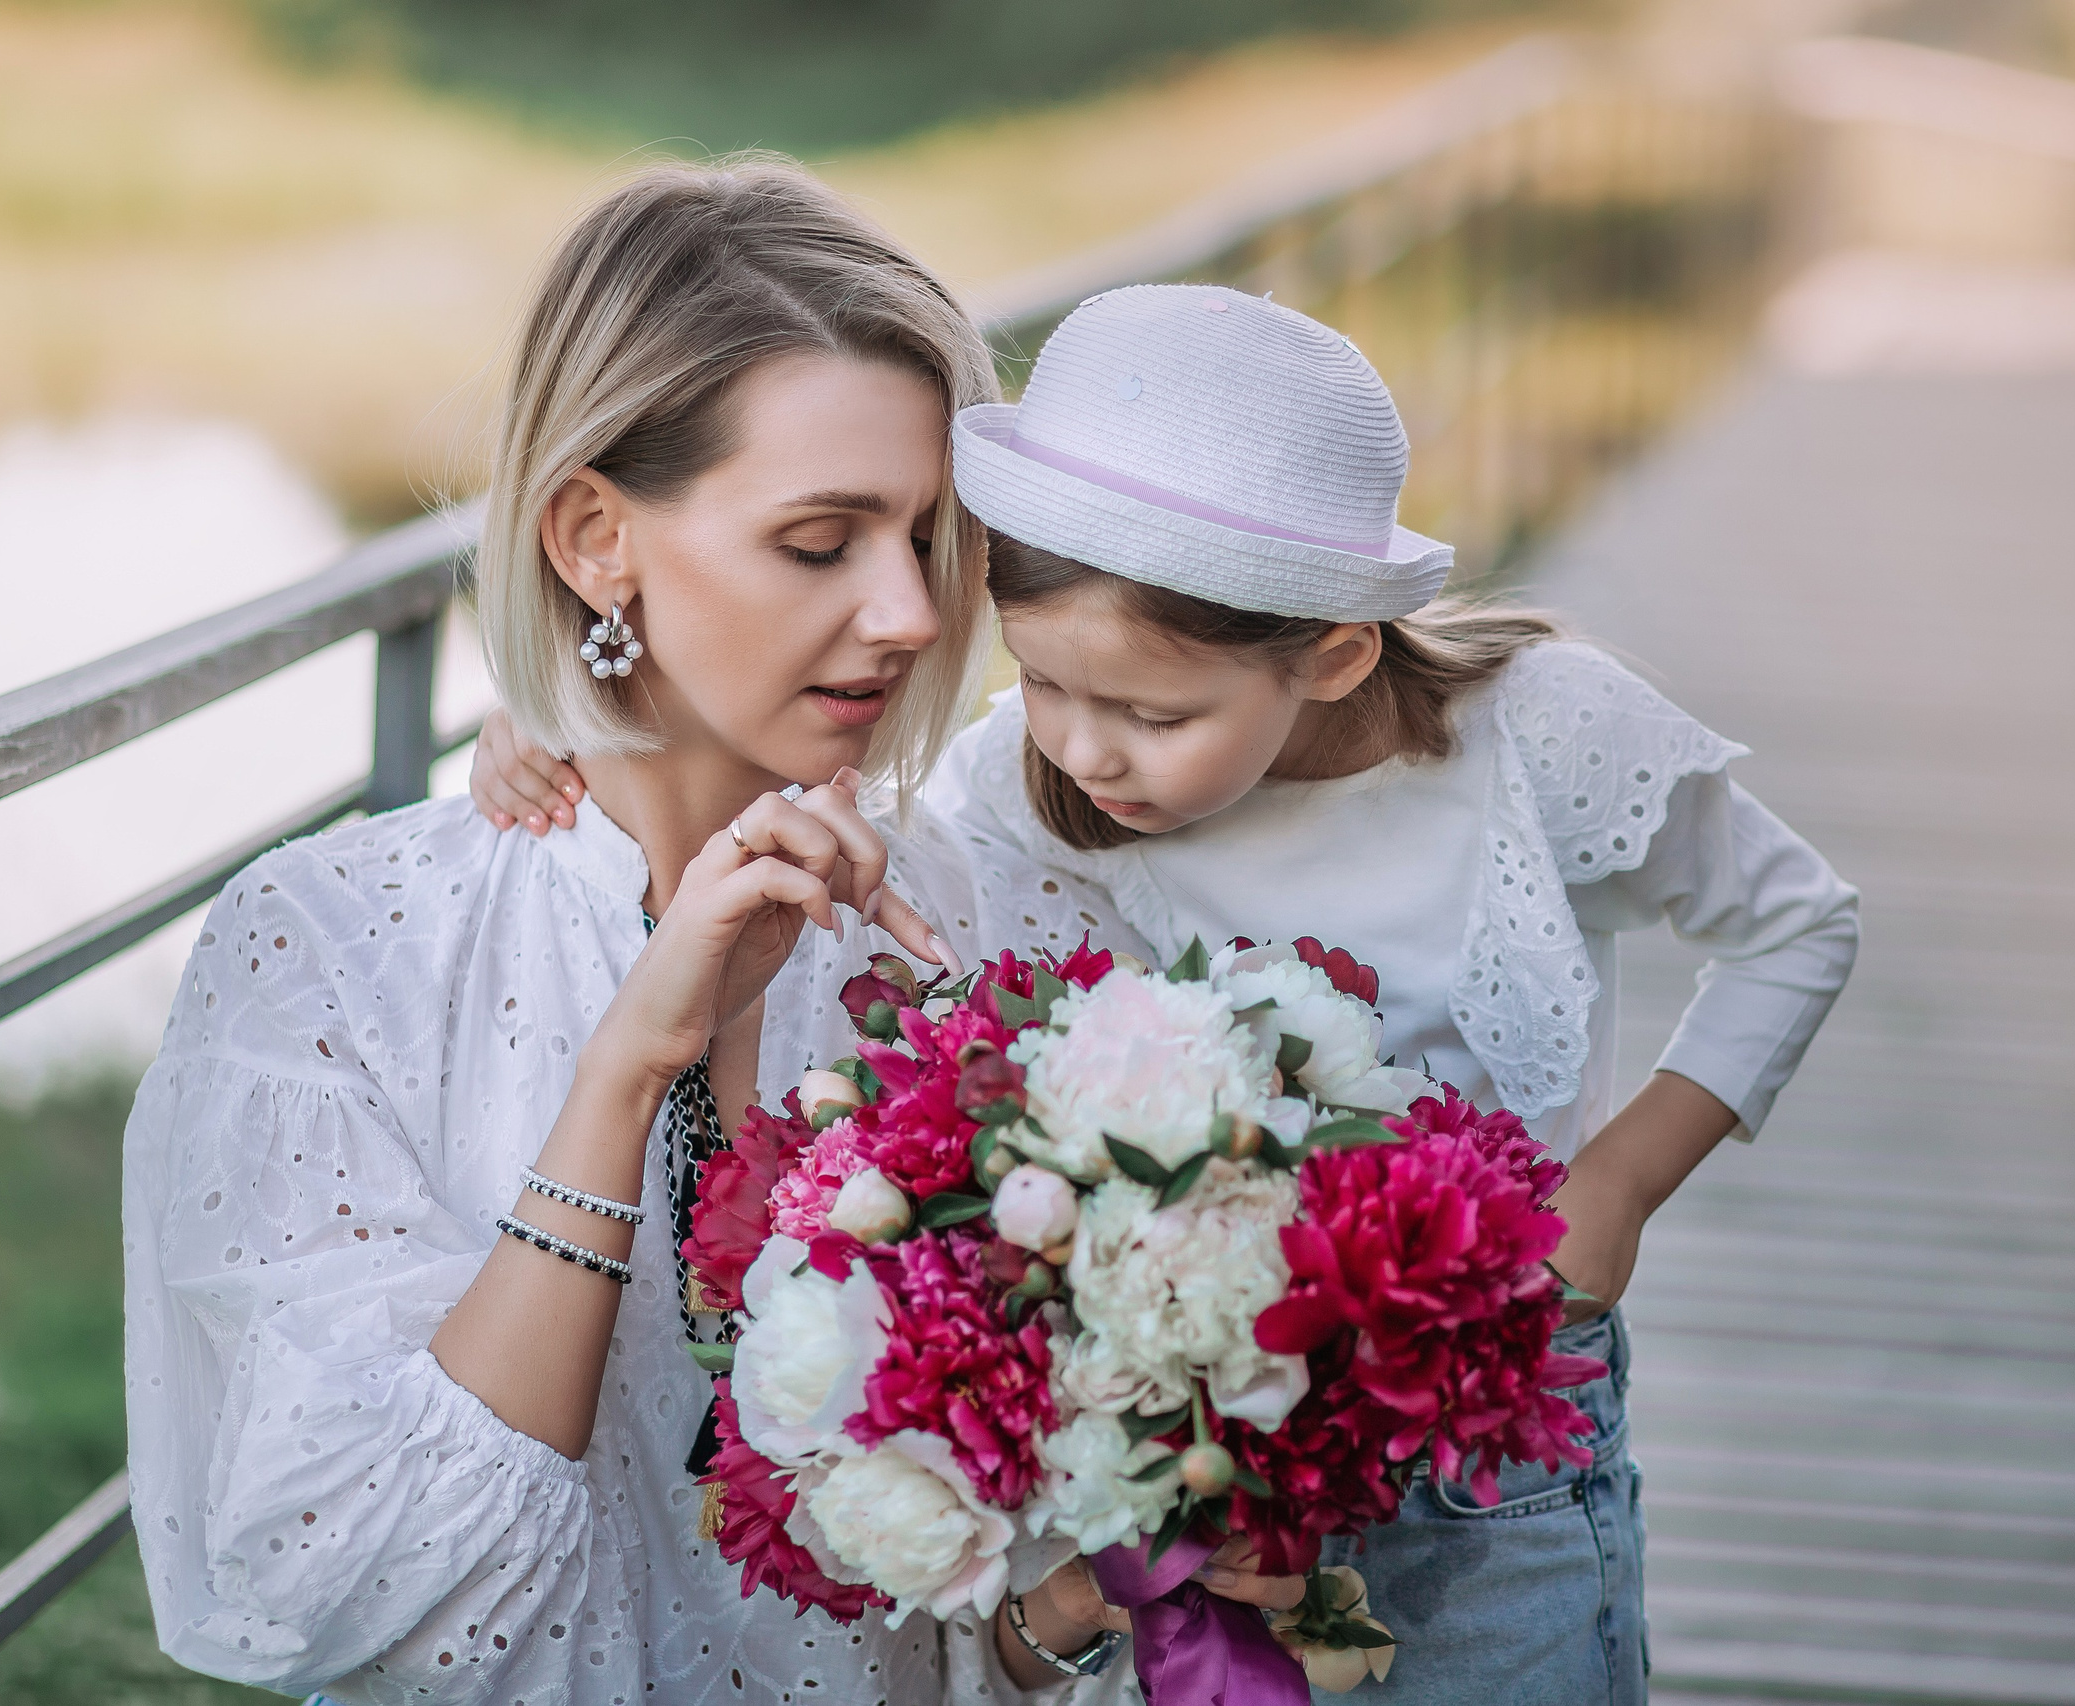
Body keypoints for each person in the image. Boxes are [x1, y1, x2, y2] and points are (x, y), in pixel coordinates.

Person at [471, 283, 1861, 1703]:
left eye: (1155, 714)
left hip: (1482, 1449)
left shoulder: (1538, 740)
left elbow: (1798, 925)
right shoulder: (1027, 783)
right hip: (1192, 1459)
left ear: (1332, 652)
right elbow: (820, 802)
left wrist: (1621, 1178)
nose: (1084, 752)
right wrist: (573, 714)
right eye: (1043, 682)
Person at [121, 163, 1291, 1706]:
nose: (913, 615)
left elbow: (982, 1641)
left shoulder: (1003, 931)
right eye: (821, 541)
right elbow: (368, 1593)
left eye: (930, 538)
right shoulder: (334, 955)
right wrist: (629, 1063)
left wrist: (1076, 1611)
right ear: (595, 536)